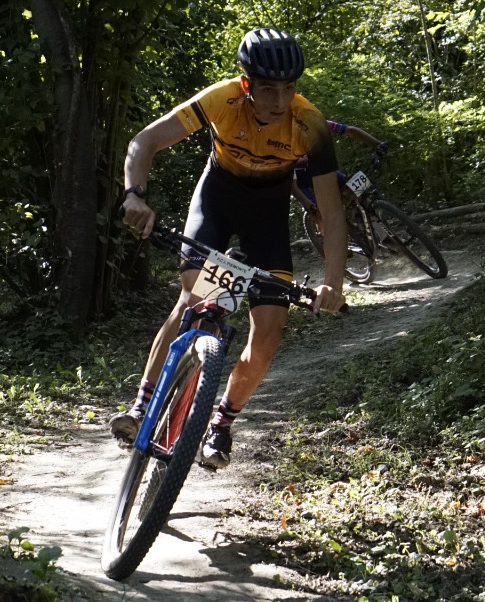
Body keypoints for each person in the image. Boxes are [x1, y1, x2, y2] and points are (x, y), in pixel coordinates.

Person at [116, 28, 348, 470]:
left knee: (271, 327)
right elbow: (143, 142)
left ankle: (220, 422)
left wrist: (333, 283)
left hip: (267, 217)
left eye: (288, 89)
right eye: (267, 89)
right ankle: (142, 406)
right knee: (194, 297)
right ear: (246, 85)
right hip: (216, 201)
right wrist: (135, 194)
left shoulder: (310, 124)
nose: (279, 101)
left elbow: (331, 215)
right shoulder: (222, 98)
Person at [290, 121, 389, 231]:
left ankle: (379, 230)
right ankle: (331, 237)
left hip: (318, 170)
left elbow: (350, 130)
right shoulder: (281, 144)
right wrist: (310, 206)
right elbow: (293, 186)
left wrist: (378, 144)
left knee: (358, 192)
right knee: (319, 215)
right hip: (298, 181)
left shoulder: (314, 122)